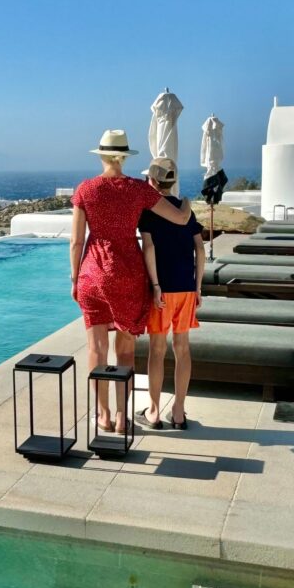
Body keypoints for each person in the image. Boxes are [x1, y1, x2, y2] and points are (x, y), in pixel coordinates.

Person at [70, 130, 193, 434]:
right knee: (124, 349)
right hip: (127, 274)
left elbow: (75, 242)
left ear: (101, 156)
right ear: (124, 157)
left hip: (92, 274)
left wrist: (75, 278)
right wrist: (188, 201)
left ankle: (103, 415)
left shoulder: (85, 189)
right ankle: (124, 417)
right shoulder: (138, 190)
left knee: (96, 349)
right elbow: (179, 218)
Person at [137, 158, 205, 430]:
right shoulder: (186, 211)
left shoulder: (149, 212)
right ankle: (178, 412)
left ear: (151, 181)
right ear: (172, 181)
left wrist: (154, 285)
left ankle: (153, 412)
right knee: (182, 349)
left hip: (162, 290)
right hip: (186, 288)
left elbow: (149, 248)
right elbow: (200, 249)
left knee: (156, 350)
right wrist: (198, 286)